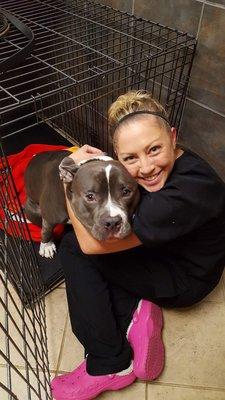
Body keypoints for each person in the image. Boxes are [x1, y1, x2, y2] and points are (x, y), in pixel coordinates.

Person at [51, 90, 225, 400]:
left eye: (154, 149)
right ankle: (137, 312)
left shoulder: (185, 193)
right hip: (172, 253)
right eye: (131, 157)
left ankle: (109, 363)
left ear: (173, 137)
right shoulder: (177, 161)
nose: (146, 168)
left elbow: (92, 246)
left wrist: (70, 177)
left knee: (74, 247)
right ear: (118, 158)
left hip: (184, 282)